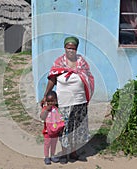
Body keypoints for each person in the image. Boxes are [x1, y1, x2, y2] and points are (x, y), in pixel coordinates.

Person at [40, 36, 94, 164]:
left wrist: (87, 95)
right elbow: (52, 79)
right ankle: (64, 153)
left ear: (76, 49)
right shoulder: (59, 62)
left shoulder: (82, 62)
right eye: (68, 48)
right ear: (65, 48)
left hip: (80, 101)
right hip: (64, 102)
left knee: (78, 127)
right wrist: (45, 95)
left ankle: (74, 152)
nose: (71, 50)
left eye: (73, 48)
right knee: (64, 128)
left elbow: (88, 78)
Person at [40, 91, 62, 165]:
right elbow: (42, 117)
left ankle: (52, 155)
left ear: (55, 101)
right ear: (46, 101)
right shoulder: (45, 109)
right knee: (47, 144)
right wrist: (46, 110)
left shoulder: (56, 109)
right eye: (48, 101)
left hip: (55, 131)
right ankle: (46, 157)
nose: (50, 103)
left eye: (52, 101)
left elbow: (60, 118)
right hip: (47, 132)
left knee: (54, 144)